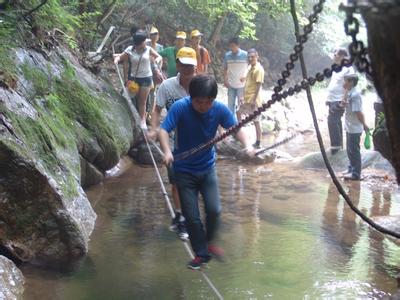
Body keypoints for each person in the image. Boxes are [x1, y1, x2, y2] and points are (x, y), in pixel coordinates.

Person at [159, 74, 254, 270]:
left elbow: (236, 129)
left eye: (208, 102)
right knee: (192, 217)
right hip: (184, 171)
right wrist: (167, 151)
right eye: (199, 102)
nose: (203, 106)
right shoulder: (180, 107)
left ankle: (209, 244)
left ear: (214, 99)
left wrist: (248, 146)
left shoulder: (219, 109)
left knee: (214, 211)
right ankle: (201, 255)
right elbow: (163, 130)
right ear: (190, 96)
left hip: (207, 168)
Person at [148, 47, 198, 240]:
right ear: (177, 64)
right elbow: (157, 110)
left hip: (197, 142)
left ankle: (186, 215)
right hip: (174, 142)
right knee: (177, 181)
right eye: (183, 65)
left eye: (191, 66)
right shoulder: (167, 87)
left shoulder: (201, 86)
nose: (187, 69)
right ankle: (180, 216)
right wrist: (154, 128)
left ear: (196, 67)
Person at [113, 30, 162, 129]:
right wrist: (116, 60)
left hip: (146, 79)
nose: (144, 43)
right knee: (128, 98)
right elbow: (121, 57)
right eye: (142, 42)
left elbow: (158, 56)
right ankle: (129, 119)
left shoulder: (148, 49)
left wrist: (157, 60)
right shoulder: (130, 50)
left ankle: (142, 121)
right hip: (133, 79)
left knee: (142, 101)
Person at [340, 74, 369, 181]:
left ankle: (356, 174)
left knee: (354, 150)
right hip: (349, 126)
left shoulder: (355, 95)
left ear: (351, 82)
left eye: (345, 81)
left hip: (355, 128)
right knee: (349, 150)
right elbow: (343, 104)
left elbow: (358, 112)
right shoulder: (349, 92)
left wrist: (365, 125)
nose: (343, 83)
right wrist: (345, 92)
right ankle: (350, 169)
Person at [326, 48, 355, 154]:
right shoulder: (337, 68)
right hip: (332, 99)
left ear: (342, 56)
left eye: (336, 54)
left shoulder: (348, 68)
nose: (334, 55)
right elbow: (334, 83)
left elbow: (349, 84)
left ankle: (336, 147)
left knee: (332, 120)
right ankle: (338, 146)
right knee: (336, 120)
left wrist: (344, 99)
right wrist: (328, 99)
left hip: (339, 99)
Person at [237, 48, 264, 149]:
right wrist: (242, 96)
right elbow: (247, 82)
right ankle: (240, 133)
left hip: (254, 100)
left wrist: (253, 100)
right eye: (249, 57)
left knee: (256, 121)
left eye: (252, 57)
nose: (250, 58)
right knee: (238, 112)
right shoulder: (250, 67)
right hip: (247, 97)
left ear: (257, 57)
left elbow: (258, 85)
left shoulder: (258, 69)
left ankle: (258, 142)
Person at [223, 37, 248, 119]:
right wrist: (225, 80)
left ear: (238, 45)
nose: (232, 48)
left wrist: (245, 76)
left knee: (241, 104)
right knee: (230, 104)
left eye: (233, 46)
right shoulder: (227, 55)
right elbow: (225, 68)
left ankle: (240, 122)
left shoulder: (245, 55)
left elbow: (249, 67)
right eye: (230, 46)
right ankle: (231, 121)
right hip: (231, 84)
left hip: (242, 85)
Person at [147, 26, 164, 116]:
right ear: (150, 35)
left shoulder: (160, 47)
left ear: (158, 36)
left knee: (153, 91)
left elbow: (161, 59)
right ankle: (146, 110)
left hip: (155, 71)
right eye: (153, 34)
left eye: (156, 34)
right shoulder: (146, 44)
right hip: (146, 70)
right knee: (146, 89)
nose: (154, 36)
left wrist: (159, 70)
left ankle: (150, 112)